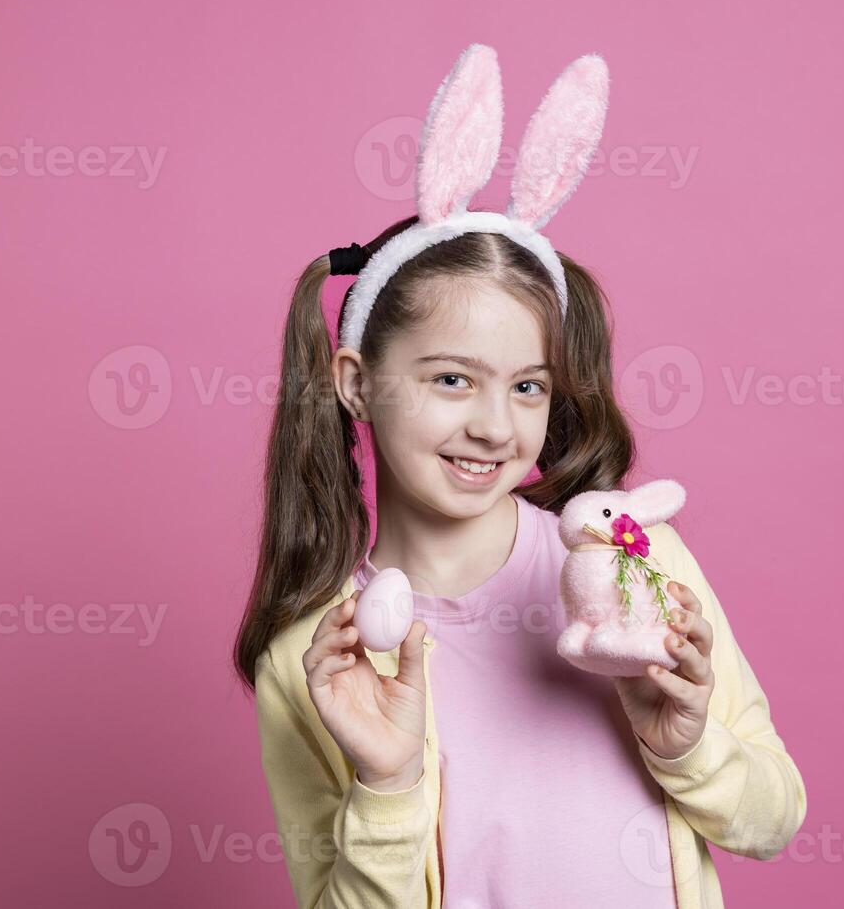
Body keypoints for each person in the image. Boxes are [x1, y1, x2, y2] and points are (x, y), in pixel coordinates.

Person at [233, 45, 806, 908]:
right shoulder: (313, 660)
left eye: (527, 386)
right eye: (451, 379)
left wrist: (686, 748)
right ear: (356, 384)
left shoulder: (630, 561)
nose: (495, 427)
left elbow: (774, 818)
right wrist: (386, 785)